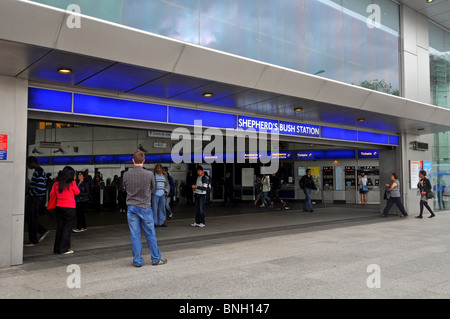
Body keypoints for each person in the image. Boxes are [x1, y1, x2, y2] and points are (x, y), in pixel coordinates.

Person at [122, 151, 167, 267]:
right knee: (150, 233)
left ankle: (137, 261)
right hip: (145, 207)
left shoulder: (126, 174)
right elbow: (153, 189)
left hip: (131, 207)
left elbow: (124, 188)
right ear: (144, 160)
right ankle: (156, 258)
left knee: (135, 234)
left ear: (133, 160)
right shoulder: (149, 175)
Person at [51, 166, 80, 255]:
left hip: (59, 207)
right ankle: (64, 249)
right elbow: (77, 192)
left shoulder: (56, 184)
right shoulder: (72, 184)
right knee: (67, 228)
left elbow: (52, 193)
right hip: (70, 208)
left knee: (60, 227)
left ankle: (57, 248)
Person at [24, 156, 50, 246]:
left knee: (32, 218)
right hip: (35, 198)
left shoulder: (39, 172)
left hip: (35, 199)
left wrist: (30, 192)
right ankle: (41, 231)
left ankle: (33, 239)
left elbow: (39, 188)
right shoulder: (38, 171)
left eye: (28, 164)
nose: (28, 166)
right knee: (29, 217)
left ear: (32, 163)